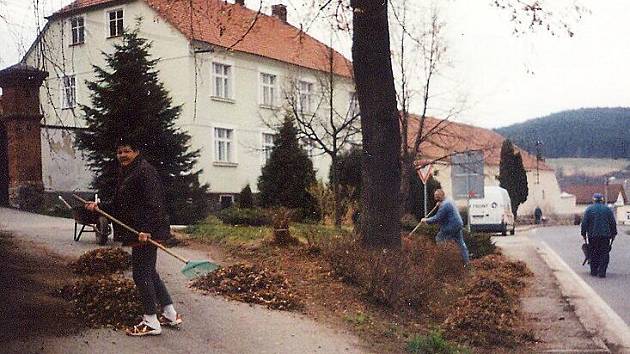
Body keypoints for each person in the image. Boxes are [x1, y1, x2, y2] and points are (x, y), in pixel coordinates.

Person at [85, 138, 182, 336]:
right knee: (149, 272)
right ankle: (170, 313)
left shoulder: (145, 172)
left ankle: (151, 321)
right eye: (119, 152)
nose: (122, 155)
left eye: (127, 151)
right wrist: (99, 207)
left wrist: (146, 230)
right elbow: (121, 204)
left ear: (136, 152)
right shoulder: (128, 172)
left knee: (141, 274)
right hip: (139, 231)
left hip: (145, 232)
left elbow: (154, 204)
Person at [421, 189, 470, 264]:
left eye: (437, 197)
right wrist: (440, 204)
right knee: (460, 243)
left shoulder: (445, 205)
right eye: (435, 196)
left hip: (451, 226)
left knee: (439, 238)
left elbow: (437, 218)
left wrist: (426, 220)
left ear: (441, 195)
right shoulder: (449, 200)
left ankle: (444, 259)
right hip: (458, 224)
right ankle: (467, 262)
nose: (435, 198)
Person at [580, 193, 617, 278]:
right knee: (604, 253)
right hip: (605, 236)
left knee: (593, 252)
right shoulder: (607, 210)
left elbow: (584, 223)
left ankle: (594, 271)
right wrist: (614, 233)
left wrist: (583, 234)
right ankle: (602, 272)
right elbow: (612, 223)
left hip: (593, 236)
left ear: (593, 200)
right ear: (602, 200)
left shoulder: (589, 210)